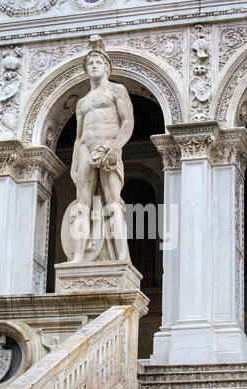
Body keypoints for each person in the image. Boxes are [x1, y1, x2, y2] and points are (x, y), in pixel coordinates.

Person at [70, 35, 134, 263]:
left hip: (108, 148)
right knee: (82, 206)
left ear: (106, 67)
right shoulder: (82, 102)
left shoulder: (117, 90)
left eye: (98, 62)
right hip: (87, 149)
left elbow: (127, 122)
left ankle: (123, 258)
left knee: (113, 203)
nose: (93, 66)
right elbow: (78, 137)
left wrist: (115, 148)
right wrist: (75, 163)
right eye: (90, 64)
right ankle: (77, 257)